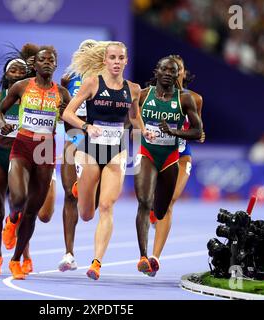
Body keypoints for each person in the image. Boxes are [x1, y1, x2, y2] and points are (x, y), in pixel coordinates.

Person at [62, 41, 154, 280]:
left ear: (126, 61)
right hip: (90, 149)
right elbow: (67, 113)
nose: (116, 61)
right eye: (112, 57)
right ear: (105, 60)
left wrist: (144, 131)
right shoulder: (92, 83)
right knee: (86, 214)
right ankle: (82, 189)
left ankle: (96, 263)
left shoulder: (133, 89)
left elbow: (134, 117)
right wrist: (86, 126)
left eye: (120, 58)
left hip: (116, 152)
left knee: (106, 206)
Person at [0, 46, 71, 279]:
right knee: (17, 199)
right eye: (42, 59)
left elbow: (71, 129)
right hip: (22, 145)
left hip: (46, 149)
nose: (47, 62)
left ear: (56, 65)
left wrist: (68, 115)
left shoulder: (63, 94)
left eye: (51, 59)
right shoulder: (21, 87)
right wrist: (1, 123)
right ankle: (11, 217)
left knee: (34, 211)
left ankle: (16, 260)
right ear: (34, 65)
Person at [135, 56, 202, 277]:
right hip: (153, 151)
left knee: (170, 200)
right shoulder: (149, 94)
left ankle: (155, 257)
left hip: (181, 154)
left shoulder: (193, 99)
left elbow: (197, 129)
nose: (174, 72)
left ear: (181, 73)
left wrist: (192, 134)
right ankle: (148, 239)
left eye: (178, 69)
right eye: (169, 68)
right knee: (150, 201)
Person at [58, 39, 99, 272]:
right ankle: (69, 253)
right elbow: (64, 115)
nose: (86, 56)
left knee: (90, 209)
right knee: (68, 195)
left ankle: (89, 194)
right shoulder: (68, 80)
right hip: (73, 140)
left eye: (91, 53)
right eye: (83, 52)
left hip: (99, 144)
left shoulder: (105, 83)